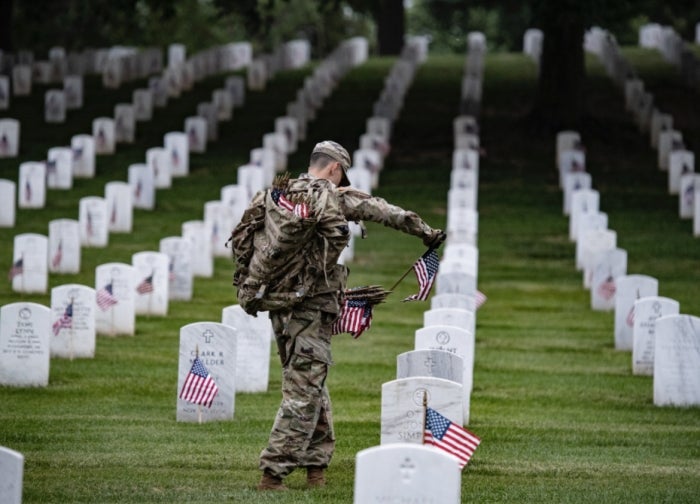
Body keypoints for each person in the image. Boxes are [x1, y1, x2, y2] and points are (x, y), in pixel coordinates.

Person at [232, 140, 445, 491]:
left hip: (277, 303)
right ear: (334, 168)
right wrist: (426, 232)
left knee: (311, 382)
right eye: (342, 174)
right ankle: (273, 473)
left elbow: (243, 240)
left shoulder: (273, 194)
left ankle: (316, 467)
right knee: (303, 390)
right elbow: (384, 211)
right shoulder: (331, 197)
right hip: (311, 307)